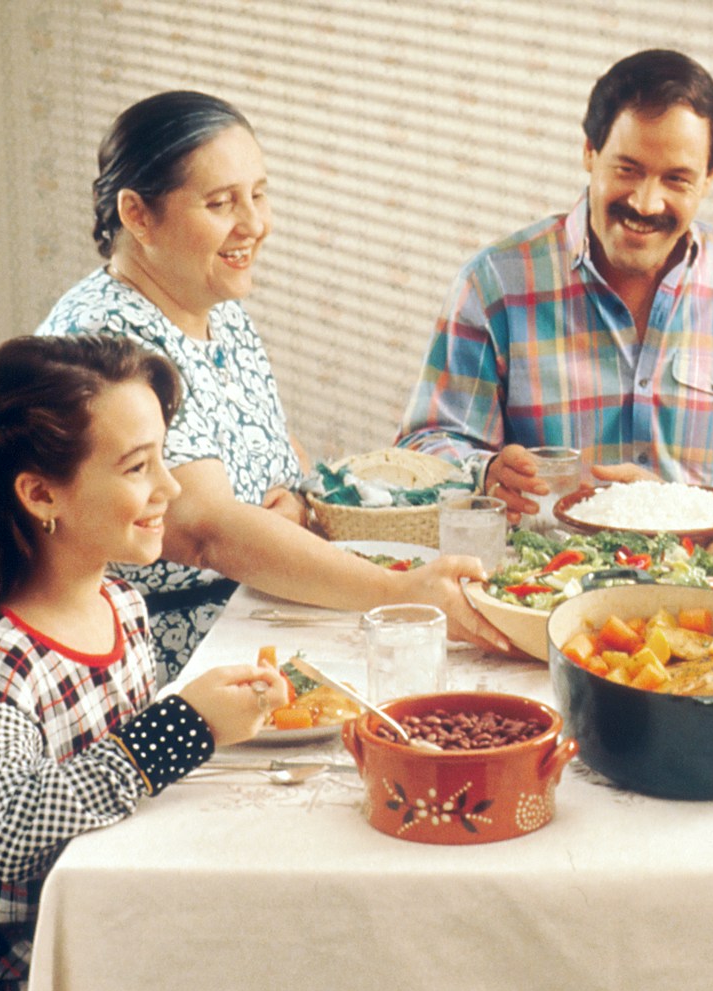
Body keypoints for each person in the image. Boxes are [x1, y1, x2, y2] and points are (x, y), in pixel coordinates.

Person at [0, 335, 288, 991]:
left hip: (127, 929)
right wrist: (183, 727)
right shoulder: (5, 664)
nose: (170, 488)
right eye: (138, 466)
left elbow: (122, 778)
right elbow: (5, 829)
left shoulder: (119, 601)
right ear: (42, 494)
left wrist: (211, 716)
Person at [39, 90, 502, 680]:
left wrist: (301, 500)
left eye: (258, 194)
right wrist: (401, 590)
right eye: (220, 203)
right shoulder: (107, 342)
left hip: (253, 614)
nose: (255, 225)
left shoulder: (212, 304)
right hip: (158, 660)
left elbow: (277, 454)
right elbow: (206, 532)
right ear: (137, 215)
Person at [395, 49, 713, 519]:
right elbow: (424, 446)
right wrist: (484, 473)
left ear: (709, 180)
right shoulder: (495, 285)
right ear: (590, 152)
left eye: (676, 180)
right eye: (628, 169)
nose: (645, 202)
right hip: (544, 587)